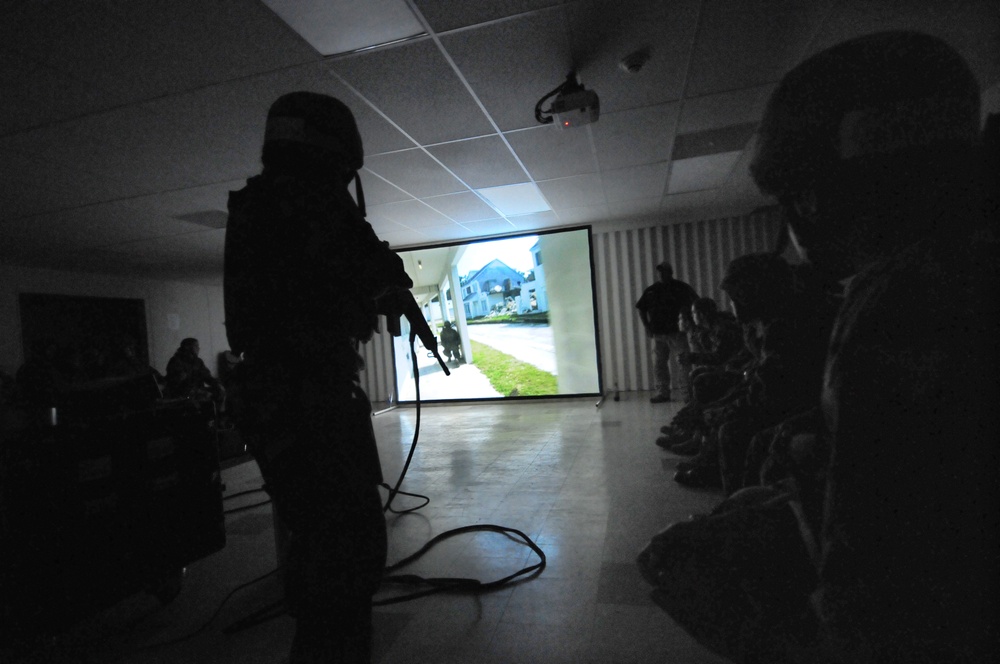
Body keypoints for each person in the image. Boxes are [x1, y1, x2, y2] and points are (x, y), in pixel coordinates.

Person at [638, 31, 998, 662]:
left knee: (679, 560)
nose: (797, 222)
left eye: (797, 196)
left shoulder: (905, 299)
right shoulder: (959, 261)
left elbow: (876, 610)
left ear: (823, 192)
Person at [224, 91, 420, 663]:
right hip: (308, 399)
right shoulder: (312, 202)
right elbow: (368, 270)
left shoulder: (260, 205)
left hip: (275, 398)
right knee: (347, 556)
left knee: (315, 545)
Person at [635, 262, 698, 402]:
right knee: (659, 364)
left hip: (677, 332)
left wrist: (691, 322)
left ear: (671, 272)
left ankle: (687, 394)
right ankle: (663, 393)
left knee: (684, 362)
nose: (662, 275)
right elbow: (641, 308)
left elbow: (696, 302)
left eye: (664, 272)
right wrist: (647, 327)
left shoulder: (681, 287)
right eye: (660, 273)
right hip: (658, 334)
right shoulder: (652, 290)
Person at [164, 338, 223, 403]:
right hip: (182, 394)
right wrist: (199, 392)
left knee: (220, 392)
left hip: (198, 392)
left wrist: (217, 384)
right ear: (187, 347)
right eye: (196, 346)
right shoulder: (176, 361)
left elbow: (207, 376)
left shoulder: (198, 361)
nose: (198, 348)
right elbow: (178, 385)